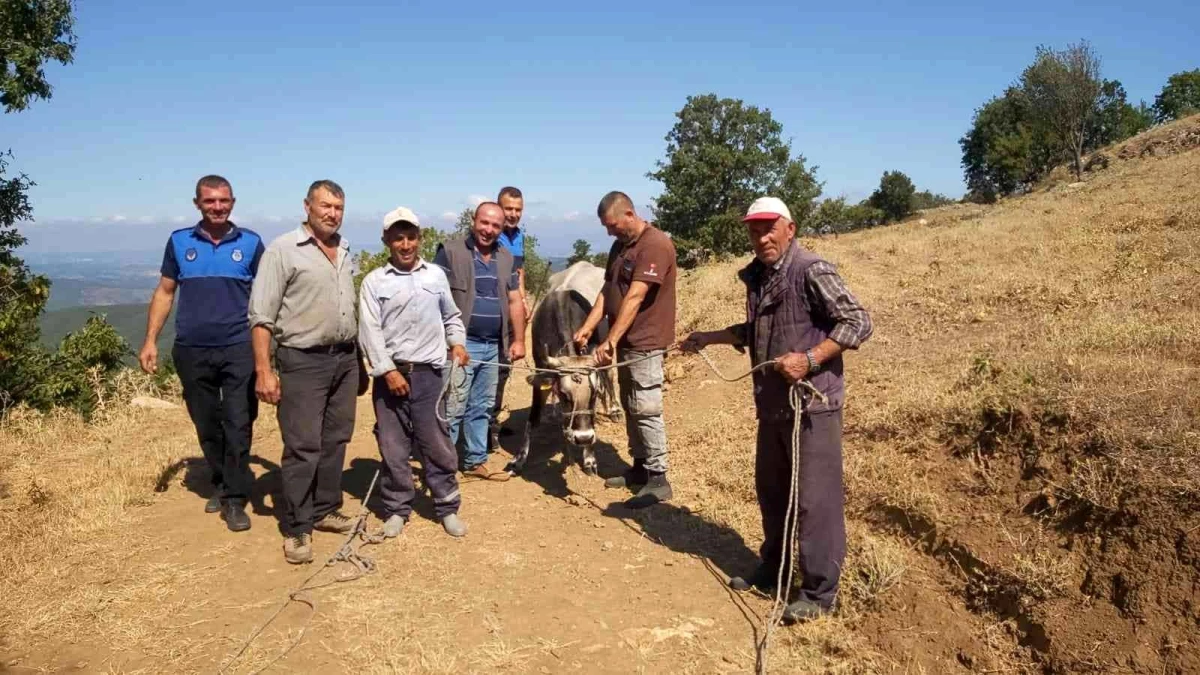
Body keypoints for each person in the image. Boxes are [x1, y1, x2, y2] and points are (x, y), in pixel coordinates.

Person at [681, 196, 873, 622]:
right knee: (771, 491)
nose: (761, 236)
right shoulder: (762, 276)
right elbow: (758, 330)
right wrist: (708, 337)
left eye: (769, 227)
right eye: (754, 229)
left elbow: (857, 321)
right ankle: (775, 566)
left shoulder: (810, 268)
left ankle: (820, 593)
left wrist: (810, 358)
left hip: (811, 406)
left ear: (791, 227)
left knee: (813, 501)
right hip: (772, 405)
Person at [139, 175, 264, 532]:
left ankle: (235, 500)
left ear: (233, 202)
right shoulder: (179, 242)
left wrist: (267, 352)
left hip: (239, 346)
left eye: (224, 201)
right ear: (197, 203)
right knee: (207, 423)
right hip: (192, 348)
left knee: (239, 421)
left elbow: (267, 295)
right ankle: (224, 480)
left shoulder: (252, 243)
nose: (217, 207)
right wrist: (150, 340)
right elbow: (165, 292)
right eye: (210, 201)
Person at [248, 180, 360, 565]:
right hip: (302, 361)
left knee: (337, 438)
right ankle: (297, 527)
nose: (332, 213)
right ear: (307, 206)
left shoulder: (344, 250)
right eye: (325, 205)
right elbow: (261, 316)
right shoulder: (283, 250)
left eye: (339, 207)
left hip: (344, 359)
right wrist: (264, 370)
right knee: (302, 445)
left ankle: (326, 507)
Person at [358, 207, 470, 538]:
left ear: (419, 239)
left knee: (436, 441)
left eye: (410, 237)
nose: (405, 245)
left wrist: (457, 343)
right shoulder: (374, 282)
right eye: (398, 238)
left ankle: (447, 506)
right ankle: (396, 508)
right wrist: (387, 371)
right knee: (393, 445)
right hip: (389, 376)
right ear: (386, 241)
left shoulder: (435, 276)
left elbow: (451, 317)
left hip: (429, 375)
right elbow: (369, 331)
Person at [572, 191, 676, 508]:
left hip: (645, 342)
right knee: (631, 405)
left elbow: (635, 297)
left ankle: (659, 479)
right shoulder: (621, 246)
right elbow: (608, 290)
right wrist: (590, 325)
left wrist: (610, 341)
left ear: (629, 214)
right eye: (606, 227)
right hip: (628, 344)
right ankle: (640, 468)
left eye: (613, 225)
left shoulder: (655, 244)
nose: (610, 232)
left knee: (646, 407)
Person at [434, 202, 526, 481]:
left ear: (502, 229)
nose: (489, 230)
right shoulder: (450, 252)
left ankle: (475, 461)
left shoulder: (506, 257)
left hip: (494, 345)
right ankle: (443, 465)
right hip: (461, 344)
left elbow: (514, 300)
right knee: (453, 406)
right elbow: (433, 295)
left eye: (495, 226)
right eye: (484, 223)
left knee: (482, 406)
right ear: (473, 221)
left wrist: (519, 339)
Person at [490, 186, 529, 451]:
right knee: (487, 372)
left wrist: (524, 301)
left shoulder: (518, 236)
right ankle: (482, 428)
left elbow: (520, 271)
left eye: (518, 209)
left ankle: (492, 423)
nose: (513, 214)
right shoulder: (491, 234)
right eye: (508, 209)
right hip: (492, 312)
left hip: (510, 312)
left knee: (503, 370)